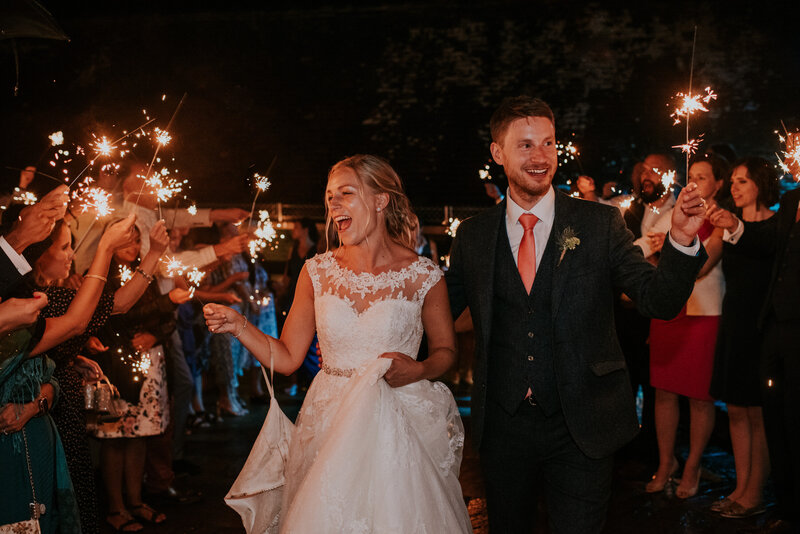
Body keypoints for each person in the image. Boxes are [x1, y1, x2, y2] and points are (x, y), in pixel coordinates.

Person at [445, 96, 708, 533]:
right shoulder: (473, 236)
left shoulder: (599, 225)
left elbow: (657, 301)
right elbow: (437, 318)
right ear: (498, 153)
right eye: (525, 145)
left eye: (548, 143)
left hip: (583, 425)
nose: (540, 156)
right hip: (503, 430)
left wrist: (680, 241)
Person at [204, 154, 472, 532]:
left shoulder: (423, 274)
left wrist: (419, 368)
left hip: (398, 425)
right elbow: (286, 358)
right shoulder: (316, 272)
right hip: (329, 421)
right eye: (330, 196)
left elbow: (447, 351)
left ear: (381, 201)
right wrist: (239, 326)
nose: (333, 205)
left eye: (346, 193)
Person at [710, 151, 798, 533]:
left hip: (762, 328)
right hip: (734, 323)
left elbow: (761, 243)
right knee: (736, 410)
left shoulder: (778, 224)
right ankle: (741, 487)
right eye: (732, 182)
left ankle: (755, 492)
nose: (734, 187)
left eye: (742, 181)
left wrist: (733, 225)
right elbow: (705, 261)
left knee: (759, 411)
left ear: (761, 183)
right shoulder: (726, 223)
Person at [92, 223, 191, 532]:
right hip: (116, 368)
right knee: (115, 439)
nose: (133, 249)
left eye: (136, 243)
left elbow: (168, 321)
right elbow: (117, 313)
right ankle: (115, 507)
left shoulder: (146, 274)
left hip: (150, 365)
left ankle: (135, 501)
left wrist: (155, 336)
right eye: (127, 243)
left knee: (140, 436)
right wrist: (167, 302)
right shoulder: (99, 275)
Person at [645, 153, 728, 498]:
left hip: (704, 314)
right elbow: (647, 255)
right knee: (663, 393)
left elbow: (702, 266)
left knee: (698, 398)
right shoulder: (671, 214)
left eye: (704, 177)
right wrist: (657, 250)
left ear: (718, 184)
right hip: (670, 312)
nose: (695, 182)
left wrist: (668, 247)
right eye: (691, 175)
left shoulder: (724, 220)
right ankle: (667, 463)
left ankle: (693, 465)